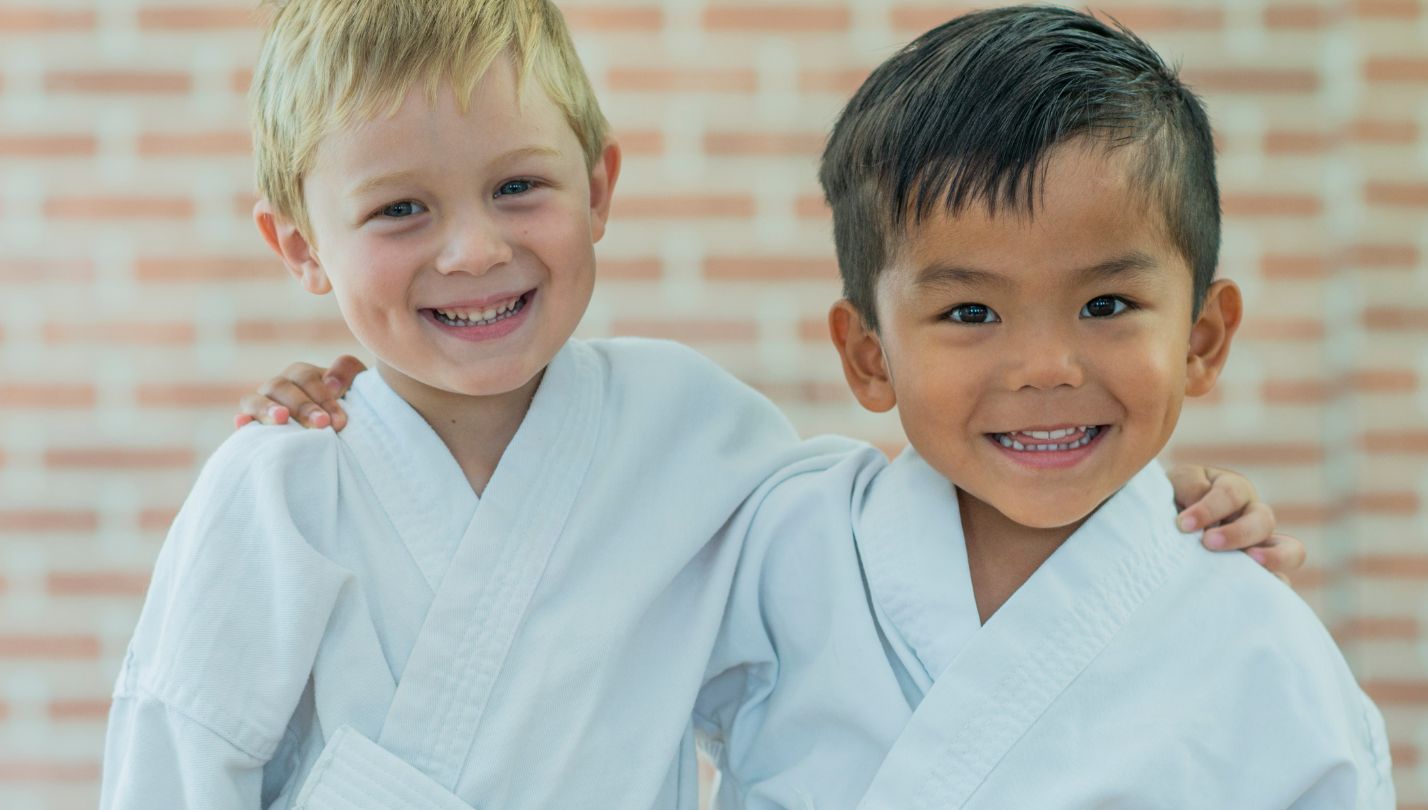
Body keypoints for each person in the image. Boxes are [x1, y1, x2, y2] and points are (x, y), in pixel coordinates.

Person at [126, 1, 1299, 807]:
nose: (473, 248)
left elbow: (909, 527)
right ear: (301, 248)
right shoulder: (280, 484)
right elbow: (176, 756)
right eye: (399, 213)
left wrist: (1151, 508)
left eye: (518, 186)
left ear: (599, 188)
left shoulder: (692, 431)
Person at [688, 7, 1393, 807]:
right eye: (970, 314)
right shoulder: (783, 560)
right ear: (870, 356)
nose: (1046, 369)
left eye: (1107, 304)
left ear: (1201, 339)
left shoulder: (1260, 644)